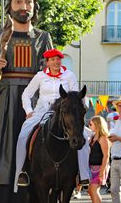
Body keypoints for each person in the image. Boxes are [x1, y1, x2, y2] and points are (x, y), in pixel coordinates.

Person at [0, 0, 53, 203]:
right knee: (4, 148)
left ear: (34, 6)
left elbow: (52, 68)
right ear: (11, 4)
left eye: (28, 2)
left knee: (38, 146)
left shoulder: (43, 37)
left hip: (34, 98)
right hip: (5, 99)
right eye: (19, 1)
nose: (24, 7)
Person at [13, 48, 90, 192]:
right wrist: (29, 111)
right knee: (23, 135)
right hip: (42, 112)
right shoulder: (40, 76)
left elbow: (76, 96)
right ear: (47, 62)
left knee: (84, 138)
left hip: (65, 114)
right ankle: (22, 172)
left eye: (58, 59)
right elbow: (26, 94)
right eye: (53, 59)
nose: (56, 62)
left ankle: (83, 174)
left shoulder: (69, 75)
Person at [86, 116, 111, 203]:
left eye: (91, 124)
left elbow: (106, 156)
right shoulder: (92, 137)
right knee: (90, 191)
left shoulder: (103, 138)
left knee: (94, 190)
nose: (89, 126)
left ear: (97, 124)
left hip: (99, 168)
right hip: (91, 168)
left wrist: (102, 172)